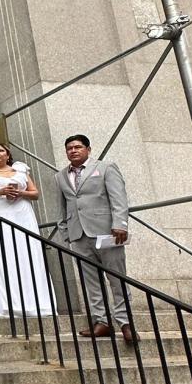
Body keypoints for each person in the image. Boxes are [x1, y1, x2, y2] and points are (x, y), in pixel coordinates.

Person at [55, 134, 134, 344]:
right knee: (91, 282)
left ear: (88, 149)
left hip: (107, 233)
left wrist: (121, 223)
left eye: (78, 147)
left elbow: (119, 198)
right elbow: (62, 207)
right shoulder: (60, 176)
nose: (73, 151)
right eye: (69, 148)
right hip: (78, 235)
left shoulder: (106, 167)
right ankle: (102, 322)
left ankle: (125, 322)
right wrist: (66, 234)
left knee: (117, 279)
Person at [0, 142, 55, 318]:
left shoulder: (20, 171)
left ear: (8, 155)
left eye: (0, 150)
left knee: (27, 252)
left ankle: (36, 303)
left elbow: (36, 194)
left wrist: (21, 193)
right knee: (4, 255)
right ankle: (7, 304)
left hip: (22, 215)